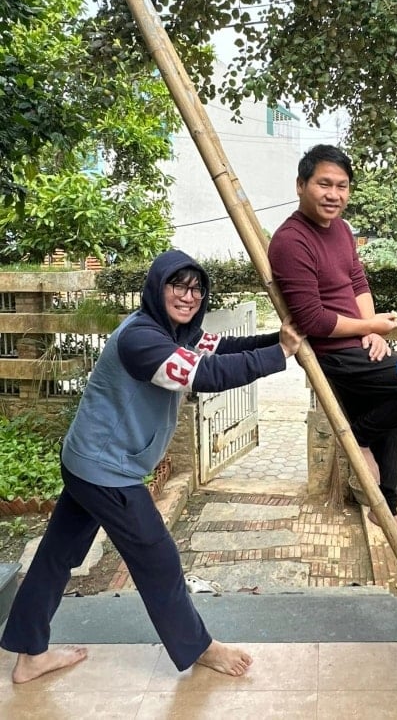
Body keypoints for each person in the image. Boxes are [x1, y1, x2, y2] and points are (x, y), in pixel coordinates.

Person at [1, 249, 303, 684]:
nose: (189, 295)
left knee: (56, 556)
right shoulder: (141, 339)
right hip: (106, 471)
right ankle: (200, 647)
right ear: (156, 288)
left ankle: (29, 654)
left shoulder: (177, 332)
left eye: (197, 287)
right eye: (177, 285)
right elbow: (205, 375)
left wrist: (279, 340)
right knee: (158, 558)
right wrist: (279, 357)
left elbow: (228, 348)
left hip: (89, 460)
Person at [268, 144, 397, 519]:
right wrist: (370, 325)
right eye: (324, 184)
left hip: (360, 345)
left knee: (388, 416)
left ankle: (387, 503)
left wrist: (371, 333)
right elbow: (313, 321)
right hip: (334, 355)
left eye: (342, 186)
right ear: (301, 185)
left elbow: (356, 279)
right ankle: (361, 435)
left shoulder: (341, 229)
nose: (334, 194)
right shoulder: (290, 241)